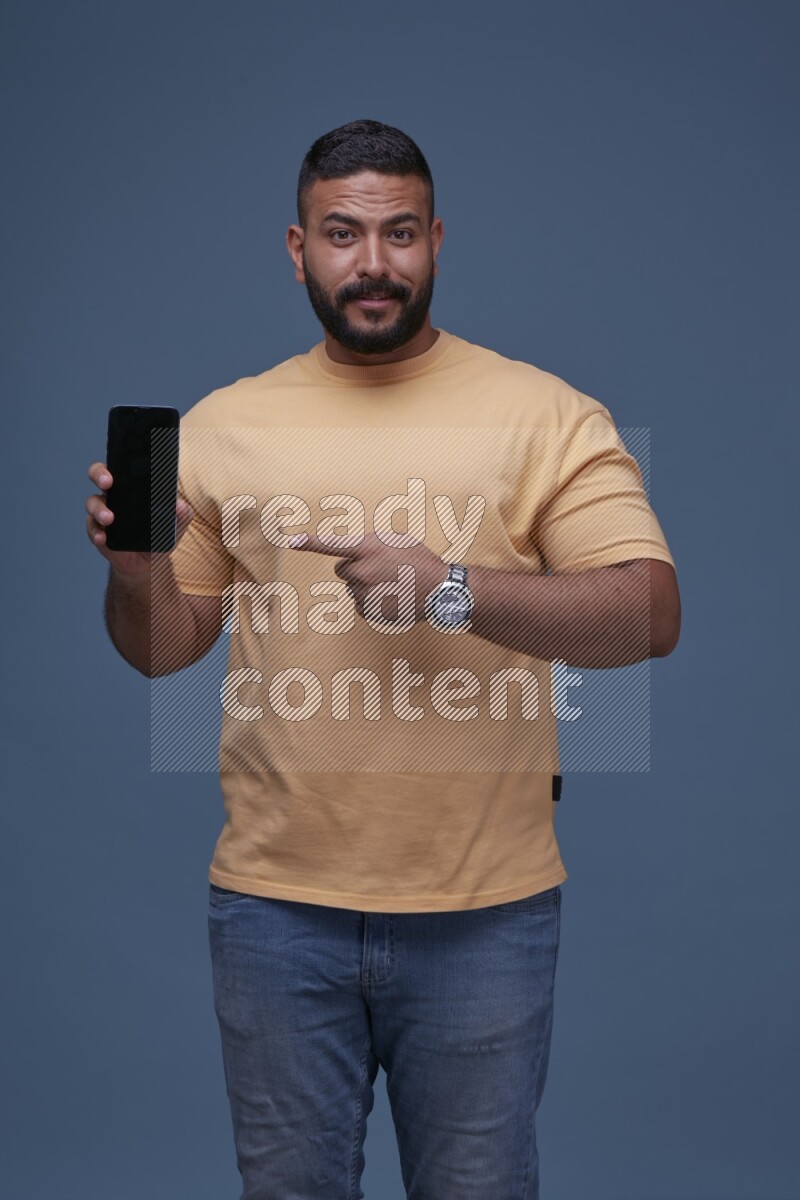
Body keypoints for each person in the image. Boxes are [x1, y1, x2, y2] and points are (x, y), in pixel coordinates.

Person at [85, 119, 680, 1200]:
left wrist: (449, 588)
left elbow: (648, 615)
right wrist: (135, 567)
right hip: (272, 912)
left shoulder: (543, 414)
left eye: (398, 232)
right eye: (342, 234)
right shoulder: (225, 426)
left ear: (437, 239)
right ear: (296, 247)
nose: (371, 264)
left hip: (484, 917)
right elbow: (163, 652)